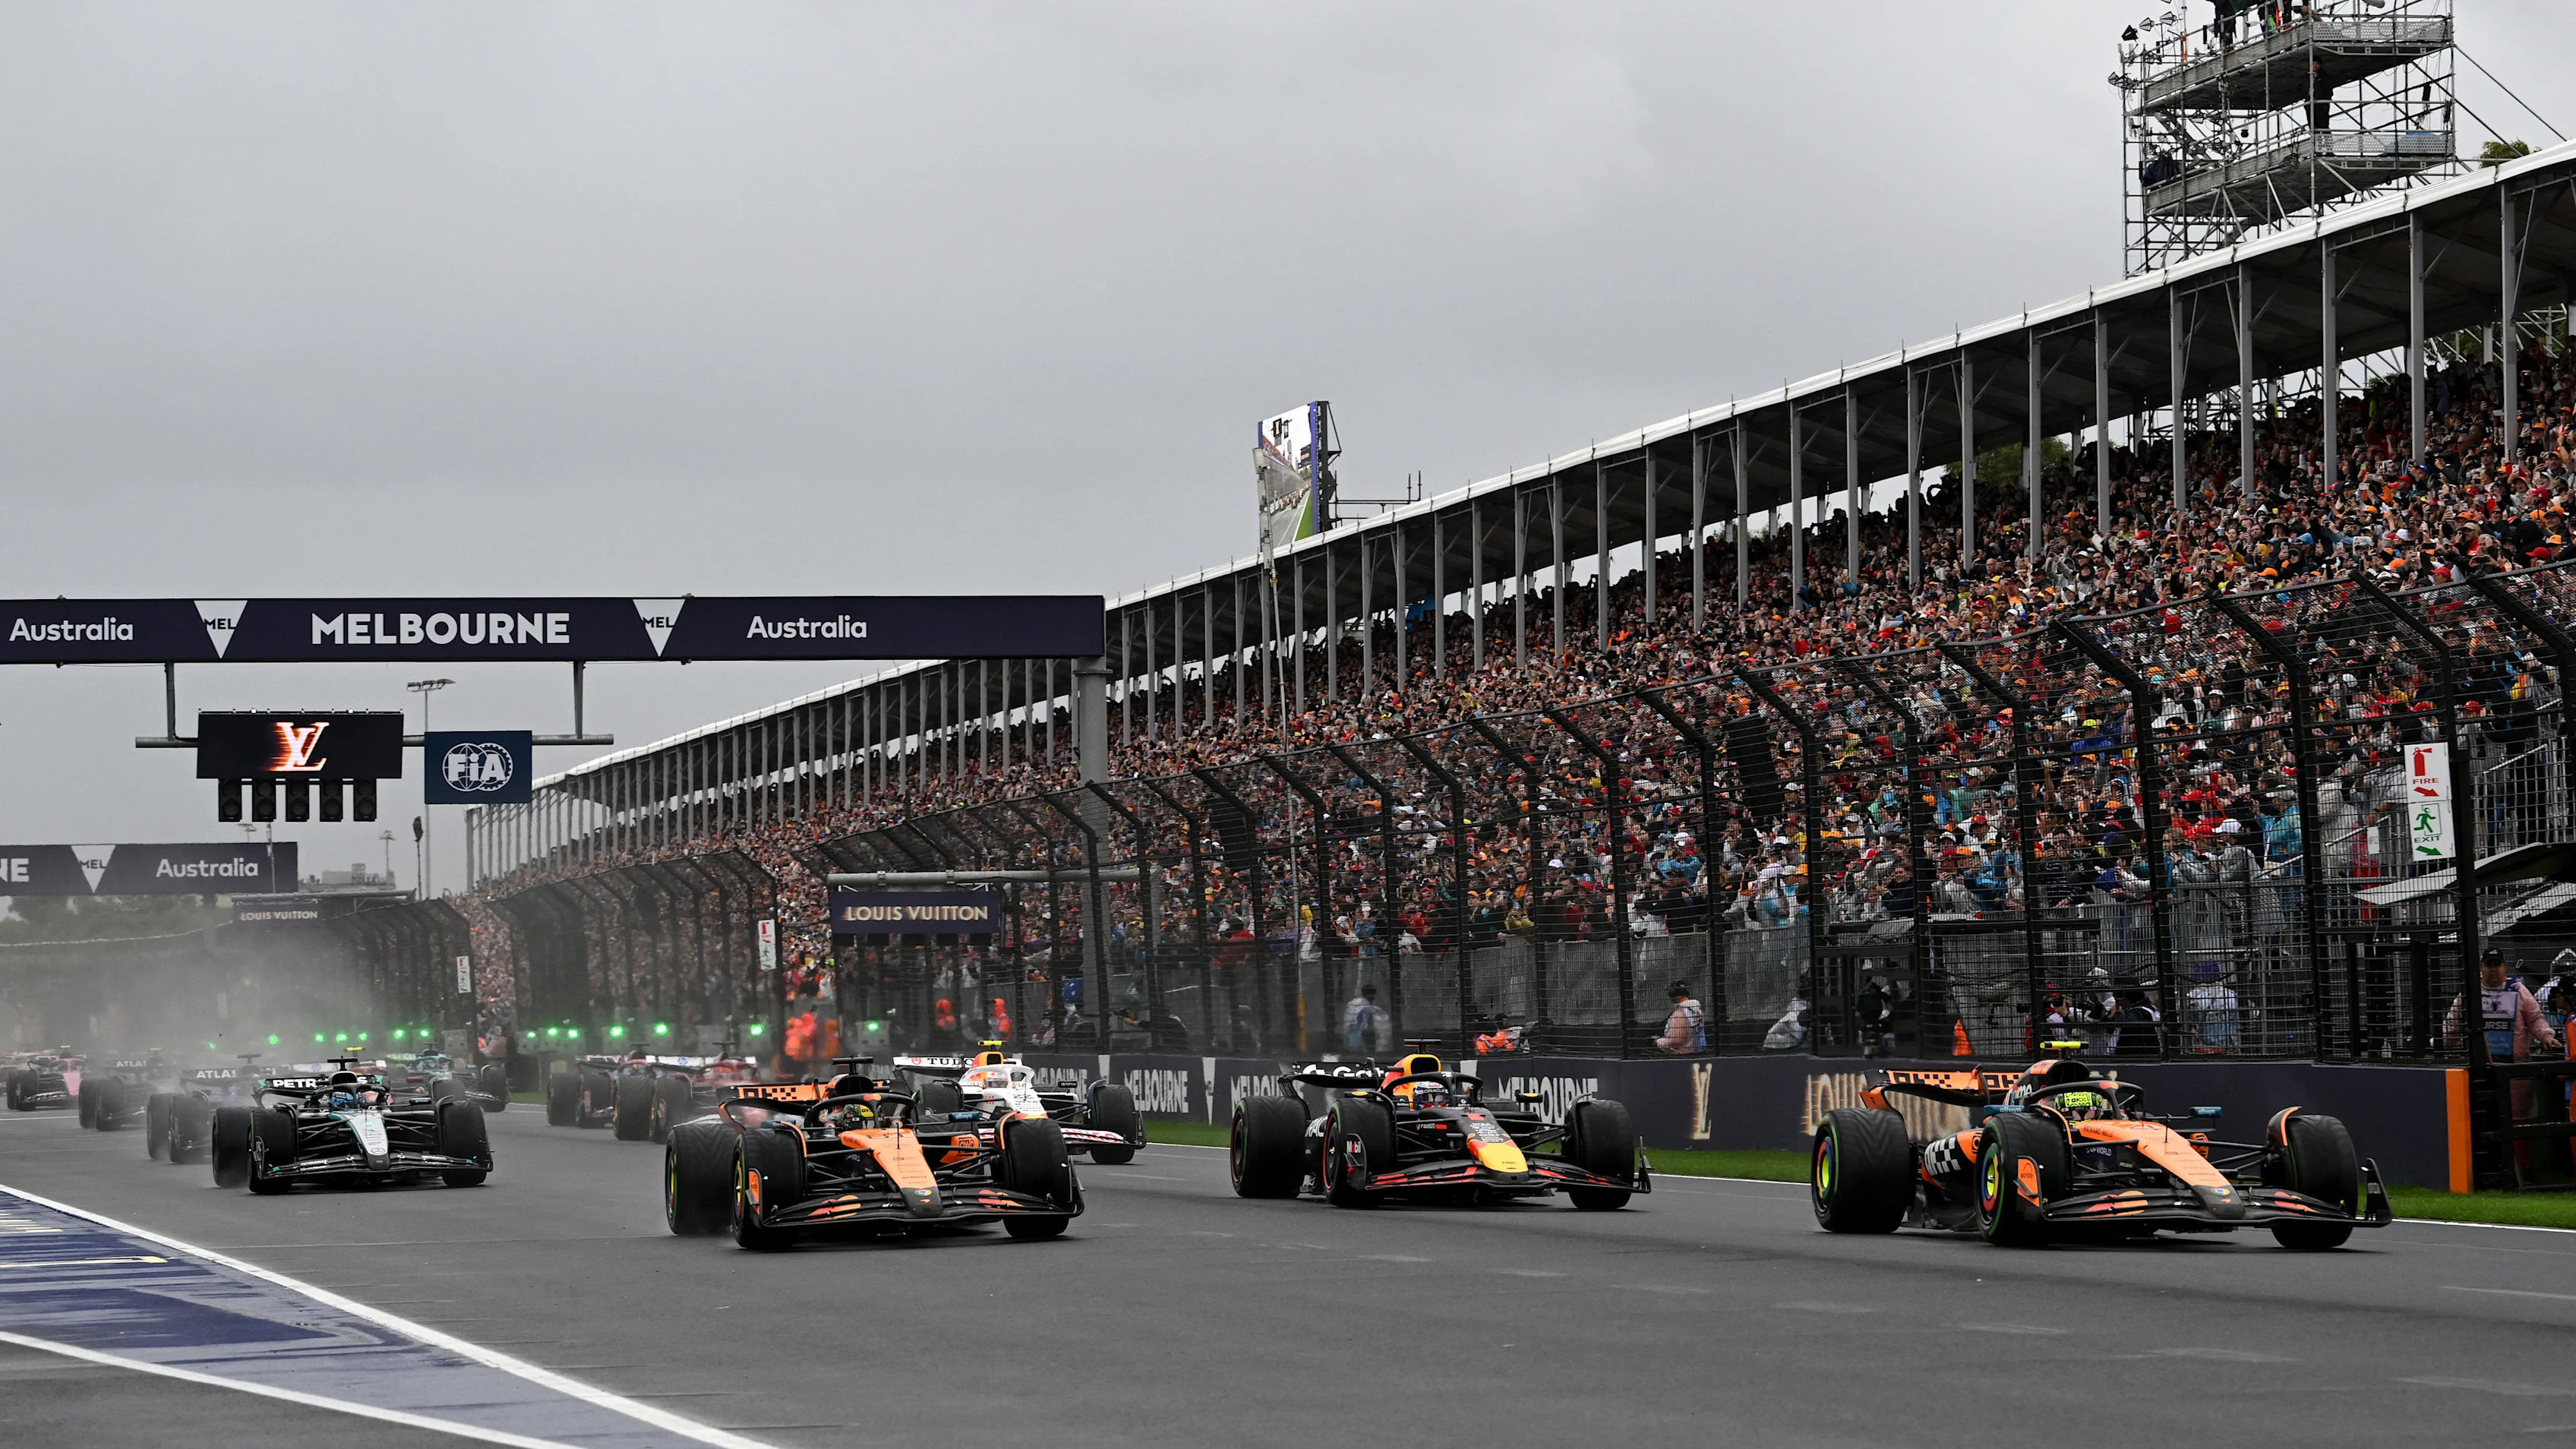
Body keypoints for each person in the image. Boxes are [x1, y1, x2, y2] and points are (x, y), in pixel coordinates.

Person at [1656, 981, 1707, 1054]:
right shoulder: (1697, 1011)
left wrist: (1658, 1042)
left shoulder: (1679, 1014)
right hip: (1698, 1053)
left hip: (1682, 1056)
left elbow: (1677, 1040)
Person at [1343, 982, 1383, 1056]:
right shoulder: (1367, 1009)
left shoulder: (1352, 1004)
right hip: (1360, 1042)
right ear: (1374, 995)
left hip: (1350, 1040)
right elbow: (1368, 1029)